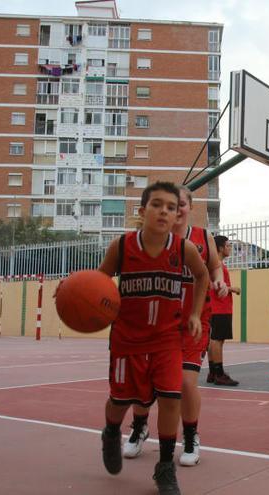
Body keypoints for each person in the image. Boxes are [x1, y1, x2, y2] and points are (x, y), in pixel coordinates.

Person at [98, 181, 209, 495]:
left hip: (166, 339)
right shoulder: (120, 247)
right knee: (121, 400)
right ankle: (110, 432)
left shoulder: (183, 248)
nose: (164, 211)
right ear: (142, 210)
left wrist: (195, 313)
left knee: (171, 397)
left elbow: (201, 275)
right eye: (157, 204)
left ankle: (164, 469)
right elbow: (98, 280)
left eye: (171, 207)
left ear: (177, 215)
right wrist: (76, 294)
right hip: (127, 339)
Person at [122, 188, 225, 468]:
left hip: (193, 321)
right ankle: (139, 426)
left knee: (184, 382)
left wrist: (219, 281)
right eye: (170, 205)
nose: (176, 210)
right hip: (156, 322)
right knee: (142, 380)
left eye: (180, 205)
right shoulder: (151, 239)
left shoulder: (202, 237)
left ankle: (191, 436)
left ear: (190, 207)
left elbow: (214, 268)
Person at [207, 235, 240, 386]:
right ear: (220, 248)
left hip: (218, 307)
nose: (229, 248)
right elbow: (219, 286)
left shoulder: (216, 265)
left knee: (215, 339)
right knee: (217, 340)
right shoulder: (217, 265)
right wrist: (234, 288)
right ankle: (218, 373)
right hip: (220, 307)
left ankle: (213, 371)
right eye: (227, 246)